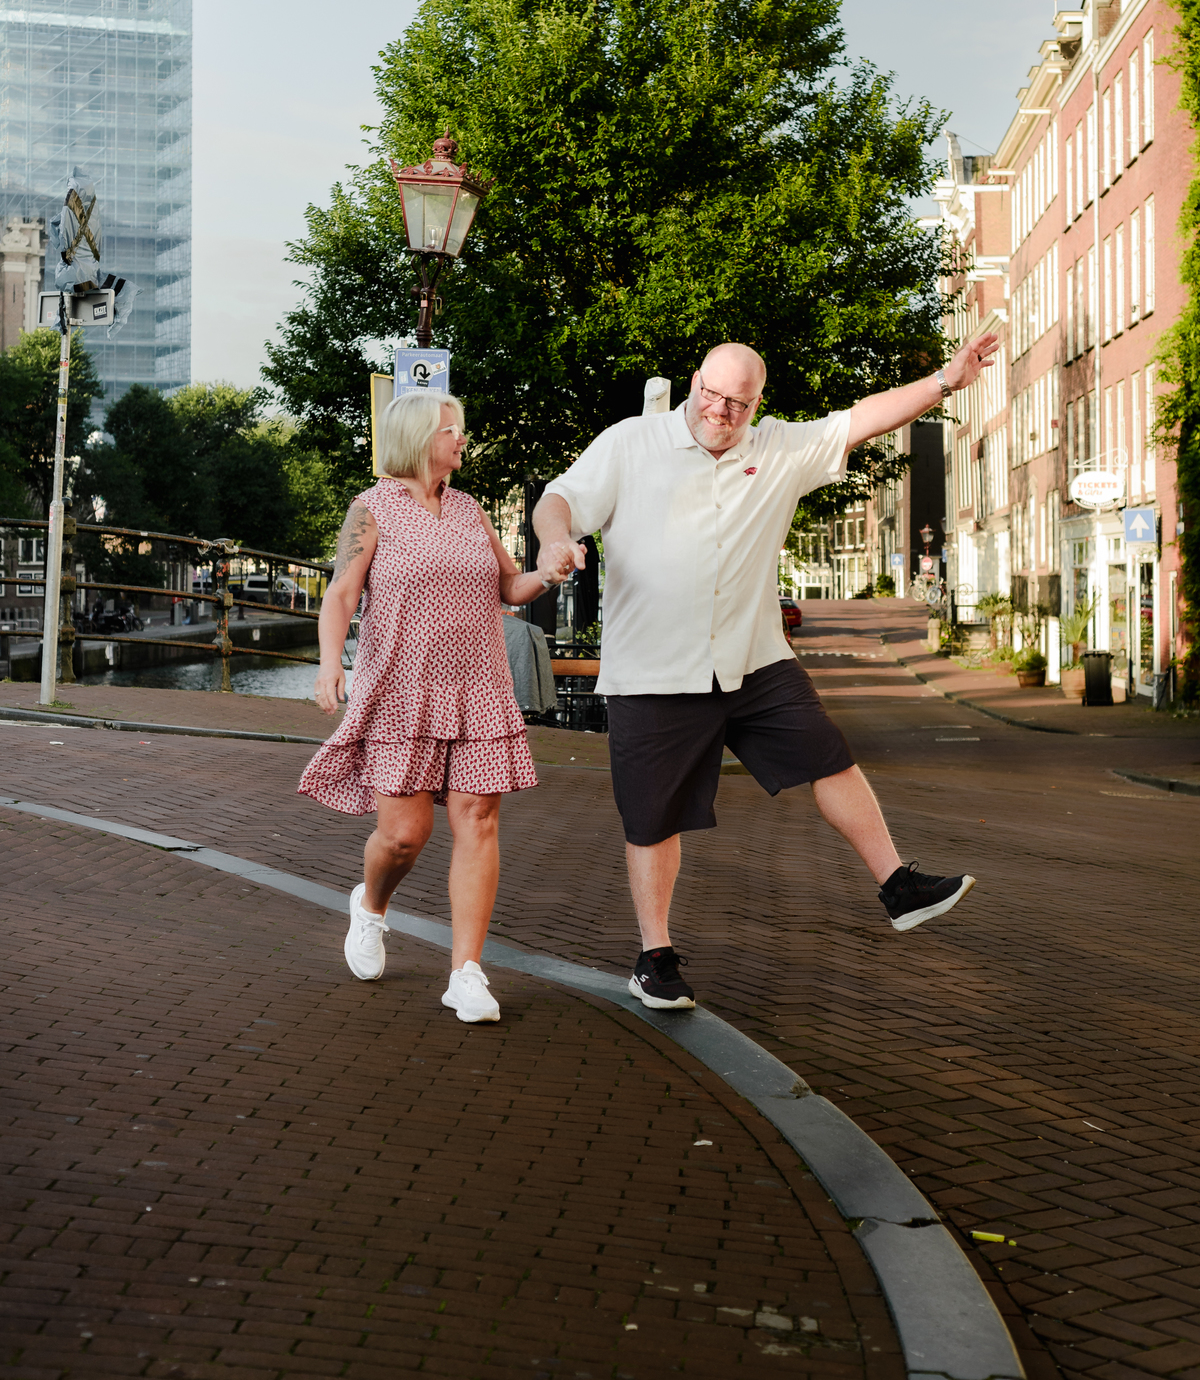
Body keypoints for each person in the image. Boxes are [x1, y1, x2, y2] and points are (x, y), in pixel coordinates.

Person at [532, 336, 998, 1010]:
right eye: (713, 395)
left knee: (830, 757)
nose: (721, 411)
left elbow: (864, 418)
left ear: (757, 404)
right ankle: (654, 957)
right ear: (695, 382)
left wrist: (945, 383)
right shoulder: (632, 443)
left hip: (752, 660)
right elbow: (560, 499)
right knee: (653, 820)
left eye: (738, 403)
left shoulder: (778, 448)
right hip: (654, 672)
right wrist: (555, 539)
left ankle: (898, 886)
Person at [299, 389, 561, 1023]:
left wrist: (549, 570)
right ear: (420, 438)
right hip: (400, 690)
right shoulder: (372, 510)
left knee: (479, 821)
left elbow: (509, 588)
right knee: (404, 835)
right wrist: (332, 662)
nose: (462, 439)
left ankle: (465, 973)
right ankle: (370, 907)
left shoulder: (471, 511)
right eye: (453, 430)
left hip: (480, 686)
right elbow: (340, 594)